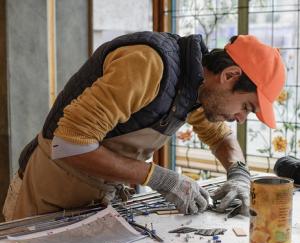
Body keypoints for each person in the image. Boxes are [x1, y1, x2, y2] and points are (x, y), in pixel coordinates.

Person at [3, 32, 286, 221]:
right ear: (230, 75)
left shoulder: (199, 89)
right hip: (49, 192)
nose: (240, 119)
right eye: (247, 107)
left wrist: (238, 175)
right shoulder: (149, 65)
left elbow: (220, 137)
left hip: (97, 200)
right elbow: (69, 144)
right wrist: (162, 179)